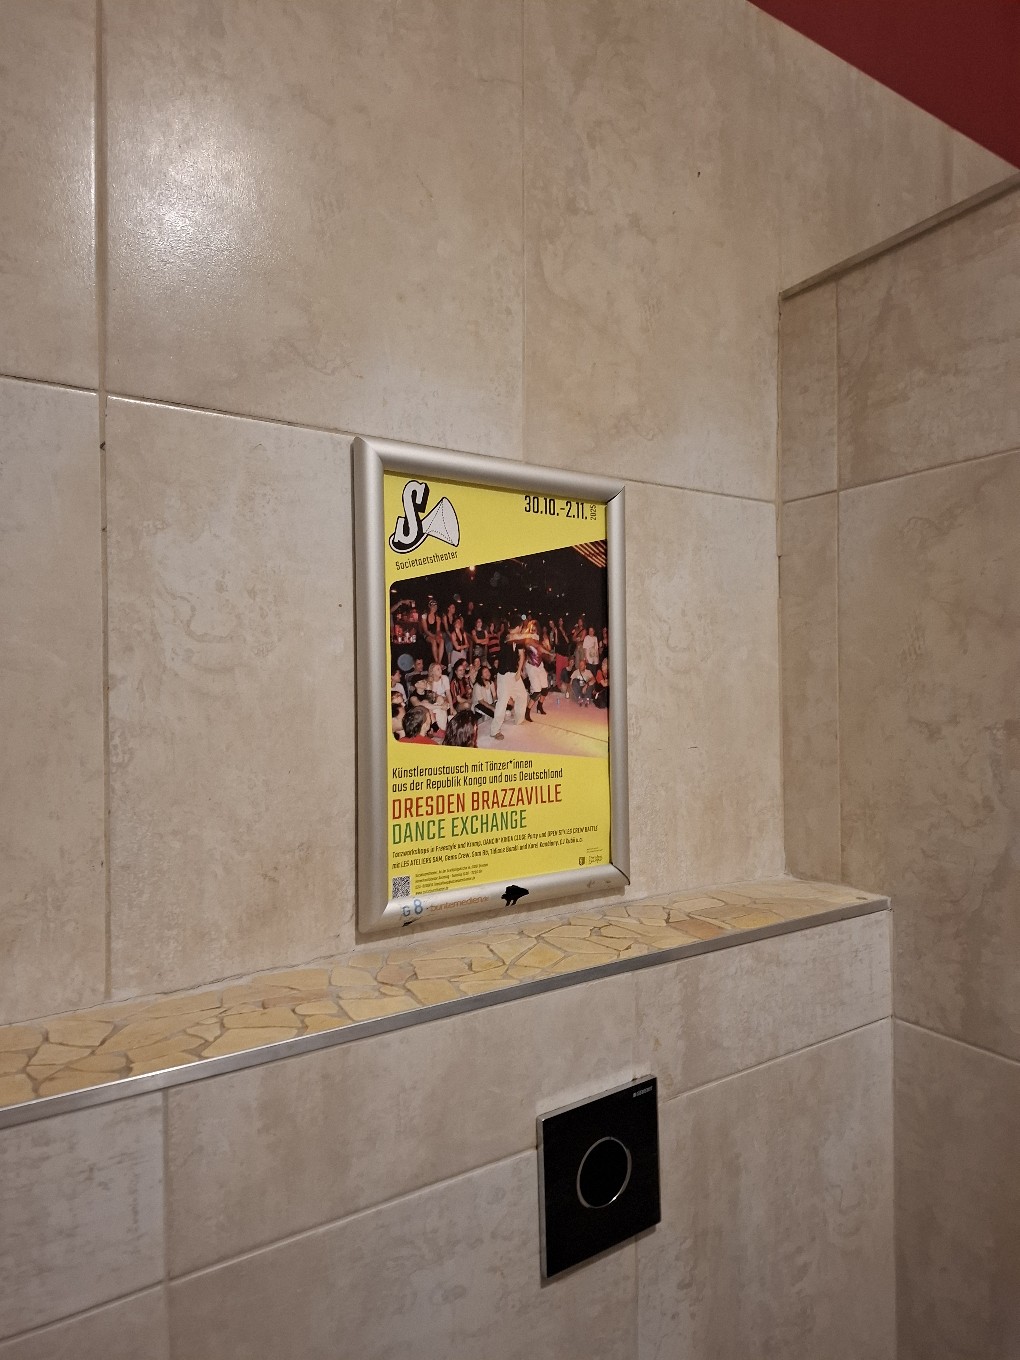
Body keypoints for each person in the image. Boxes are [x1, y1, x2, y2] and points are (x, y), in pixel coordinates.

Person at [490, 623, 530, 740]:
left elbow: (522, 656)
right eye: (521, 627)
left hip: (514, 673)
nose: (521, 629)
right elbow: (512, 637)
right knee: (502, 702)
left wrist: (519, 671)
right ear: (518, 627)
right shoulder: (505, 635)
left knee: (522, 695)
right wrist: (528, 635)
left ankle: (519, 719)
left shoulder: (519, 640)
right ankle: (495, 731)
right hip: (503, 675)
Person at [421, 596, 444, 665]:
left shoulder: (437, 618)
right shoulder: (424, 616)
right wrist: (434, 636)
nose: (434, 608)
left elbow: (438, 630)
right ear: (429, 606)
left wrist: (438, 635)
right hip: (426, 634)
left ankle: (439, 662)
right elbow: (425, 630)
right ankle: (436, 661)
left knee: (442, 640)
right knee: (433, 641)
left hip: (434, 634)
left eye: (435, 606)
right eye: (433, 606)